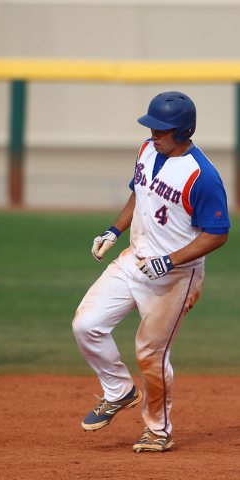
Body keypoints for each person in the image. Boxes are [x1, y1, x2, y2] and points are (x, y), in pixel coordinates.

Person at [72, 91, 230, 452]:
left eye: (162, 129)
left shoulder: (202, 176)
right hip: (133, 260)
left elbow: (218, 234)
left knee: (150, 354)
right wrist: (113, 231)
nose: (154, 133)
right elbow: (138, 195)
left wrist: (170, 261)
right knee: (86, 325)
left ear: (184, 130)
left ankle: (158, 431)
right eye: (152, 127)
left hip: (175, 278)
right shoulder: (147, 150)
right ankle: (119, 390)